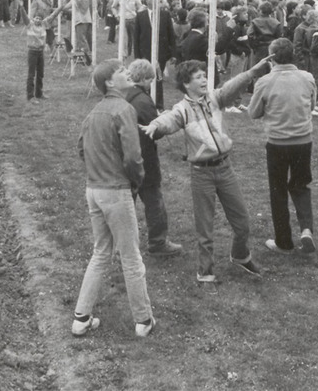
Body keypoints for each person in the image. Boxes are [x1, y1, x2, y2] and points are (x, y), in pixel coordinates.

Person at [144, 58, 267, 282]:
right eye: (198, 77)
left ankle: (240, 256)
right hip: (202, 174)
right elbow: (168, 119)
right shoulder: (182, 110)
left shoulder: (215, 98)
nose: (204, 80)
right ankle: (205, 271)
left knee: (242, 222)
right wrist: (155, 125)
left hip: (225, 169)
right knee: (205, 226)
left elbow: (232, 86)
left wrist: (251, 72)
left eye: (204, 75)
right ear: (186, 83)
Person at [70, 60, 156, 338]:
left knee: (101, 252)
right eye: (121, 71)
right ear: (109, 82)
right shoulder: (124, 109)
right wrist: (136, 180)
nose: (127, 73)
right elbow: (133, 157)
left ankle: (81, 317)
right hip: (116, 191)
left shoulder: (93, 112)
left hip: (93, 189)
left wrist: (99, 168)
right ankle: (143, 319)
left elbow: (81, 149)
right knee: (131, 257)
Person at [247, 37, 318, 253]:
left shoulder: (265, 81)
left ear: (271, 57)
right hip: (303, 141)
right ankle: (306, 228)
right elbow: (312, 105)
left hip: (277, 143)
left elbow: (253, 112)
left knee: (278, 190)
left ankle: (283, 241)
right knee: (301, 185)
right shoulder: (307, 78)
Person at [124, 59, 183, 257]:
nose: (151, 83)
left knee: (126, 203)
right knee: (153, 200)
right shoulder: (143, 100)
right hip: (144, 157)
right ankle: (158, 242)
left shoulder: (124, 94)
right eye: (150, 80)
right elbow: (154, 131)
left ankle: (122, 243)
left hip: (125, 156)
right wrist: (161, 120)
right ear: (145, 79)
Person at [25, 6, 63, 102]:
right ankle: (30, 96)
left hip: (40, 53)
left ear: (42, 20)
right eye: (36, 18)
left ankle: (39, 93)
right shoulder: (29, 25)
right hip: (32, 52)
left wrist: (60, 7)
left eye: (40, 18)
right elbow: (24, 16)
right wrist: (21, 7)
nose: (38, 20)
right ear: (33, 18)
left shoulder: (44, 24)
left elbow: (53, 16)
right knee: (31, 74)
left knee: (40, 73)